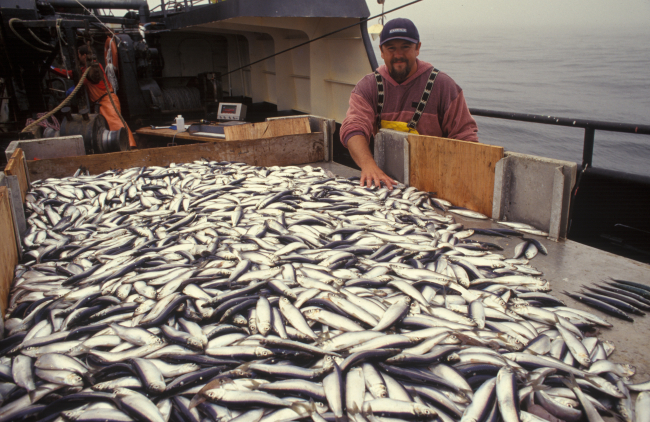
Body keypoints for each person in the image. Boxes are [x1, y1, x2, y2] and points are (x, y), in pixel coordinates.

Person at [340, 18, 478, 189]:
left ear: (418, 48)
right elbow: (353, 127)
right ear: (381, 52)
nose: (398, 55)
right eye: (391, 48)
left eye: (405, 47)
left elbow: (465, 138)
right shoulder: (368, 86)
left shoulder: (443, 86)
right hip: (385, 182)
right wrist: (368, 165)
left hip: (437, 183)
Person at [51, 44, 137, 149]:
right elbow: (71, 74)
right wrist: (51, 68)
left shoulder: (94, 67)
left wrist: (52, 68)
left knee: (116, 124)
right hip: (101, 102)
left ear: (84, 55)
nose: (78, 58)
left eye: (78, 55)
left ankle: (131, 147)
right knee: (108, 127)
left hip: (107, 100)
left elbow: (73, 74)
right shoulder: (84, 69)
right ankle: (120, 148)